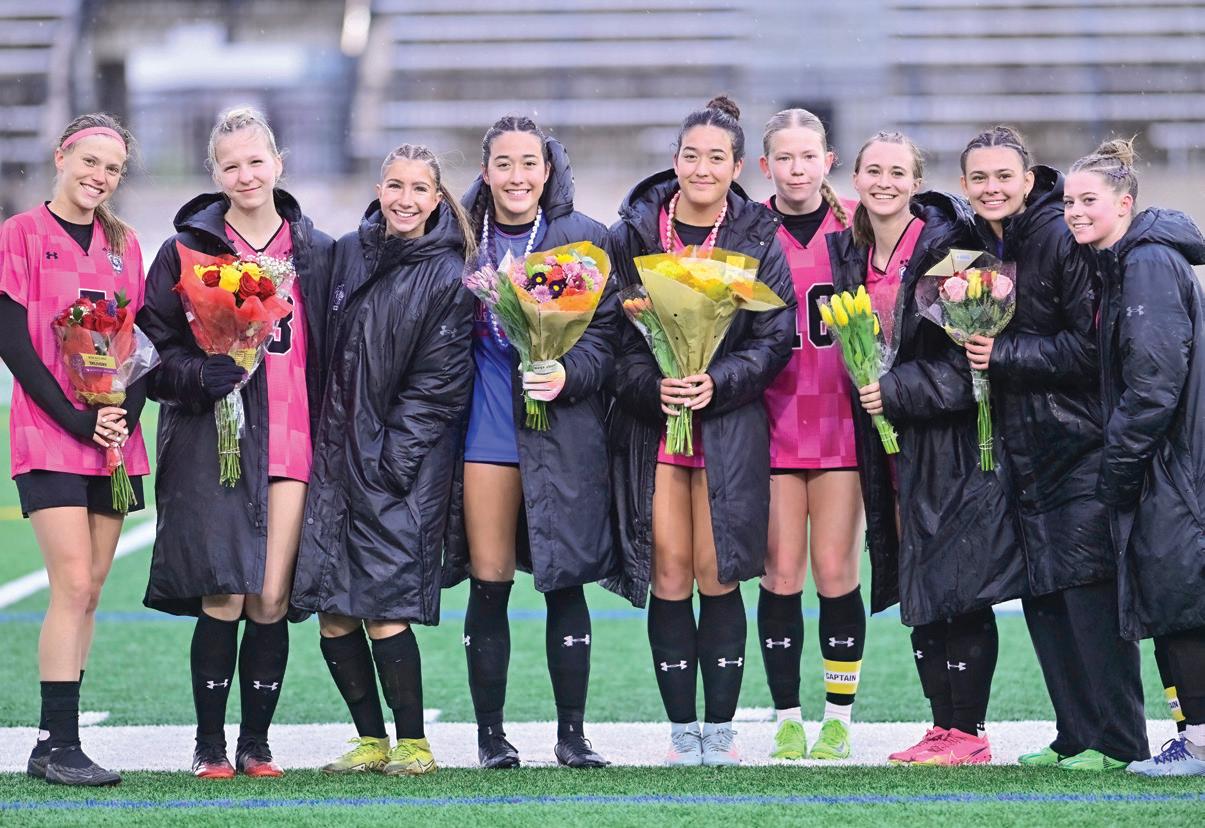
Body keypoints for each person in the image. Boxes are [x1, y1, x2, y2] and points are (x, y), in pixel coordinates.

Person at [138, 107, 334, 779]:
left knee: (271, 597)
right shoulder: (184, 251)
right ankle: (209, 745)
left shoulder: (315, 250)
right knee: (223, 592)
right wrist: (198, 374)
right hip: (217, 440)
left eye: (256, 161)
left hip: (295, 438)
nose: (246, 175)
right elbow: (153, 353)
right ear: (215, 174)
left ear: (278, 163)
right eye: (231, 165)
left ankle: (256, 743)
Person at [608, 96, 796, 766]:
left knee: (718, 574)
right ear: (675, 160)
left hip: (726, 426)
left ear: (737, 166)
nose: (702, 168)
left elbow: (775, 337)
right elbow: (613, 339)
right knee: (669, 571)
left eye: (716, 158)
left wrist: (718, 381)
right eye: (691, 155)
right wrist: (650, 385)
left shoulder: (758, 234)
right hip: (656, 430)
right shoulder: (632, 233)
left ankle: (719, 730)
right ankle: (680, 731)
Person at [830, 131, 1026, 765]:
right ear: (855, 180)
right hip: (890, 446)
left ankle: (969, 732)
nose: (884, 182)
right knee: (917, 578)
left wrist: (894, 390)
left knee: (958, 582)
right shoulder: (851, 252)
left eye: (898, 172)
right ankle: (941, 727)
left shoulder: (951, 251)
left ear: (916, 182)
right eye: (873, 170)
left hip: (949, 444)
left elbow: (971, 361)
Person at [960, 126, 1146, 771]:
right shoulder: (983, 244)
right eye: (979, 178)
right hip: (1023, 450)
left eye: (1002, 176)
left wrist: (1001, 353)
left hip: (1077, 443)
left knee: (1089, 596)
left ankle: (1119, 741)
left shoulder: (1061, 235)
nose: (991, 188)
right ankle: (1074, 732)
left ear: (1028, 177)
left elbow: (1093, 349)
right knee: (1043, 597)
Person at [292, 144, 475, 777]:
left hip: (398, 467)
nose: (405, 199)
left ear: (437, 198)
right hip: (335, 458)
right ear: (379, 190)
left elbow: (439, 385)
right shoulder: (348, 251)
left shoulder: (450, 273)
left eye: (419, 189)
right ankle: (370, 740)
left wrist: (388, 461)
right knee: (333, 608)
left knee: (384, 608)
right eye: (395, 186)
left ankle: (414, 743)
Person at [443, 116, 618, 769]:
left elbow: (607, 340)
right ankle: (491, 737)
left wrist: (570, 374)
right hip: (486, 433)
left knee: (564, 581)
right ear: (485, 172)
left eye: (528, 164)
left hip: (561, 432)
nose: (517, 177)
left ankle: (572, 735)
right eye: (504, 164)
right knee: (488, 583)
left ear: (547, 171)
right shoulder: (459, 239)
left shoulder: (583, 239)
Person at [0, 113, 147, 786]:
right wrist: (74, 419)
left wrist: (121, 416)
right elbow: (12, 340)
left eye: (112, 169)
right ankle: (54, 743)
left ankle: (61, 742)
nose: (99, 176)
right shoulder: (21, 234)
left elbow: (137, 344)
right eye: (89, 161)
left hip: (112, 440)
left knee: (93, 591)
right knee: (74, 583)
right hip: (48, 432)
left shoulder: (125, 244)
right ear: (62, 157)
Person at [1062, 138, 1205, 777]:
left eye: (1088, 200)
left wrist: (1117, 470)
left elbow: (1153, 384)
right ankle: (1194, 739)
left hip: (1174, 464)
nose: (1075, 211)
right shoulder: (1129, 260)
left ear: (1125, 203)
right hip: (1170, 461)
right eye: (1069, 202)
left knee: (1182, 599)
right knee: (1175, 597)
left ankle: (1199, 745)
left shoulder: (1146, 263)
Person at [756, 108, 864, 762]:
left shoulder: (858, 226)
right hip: (769, 422)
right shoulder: (746, 229)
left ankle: (838, 719)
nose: (796, 169)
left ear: (828, 160)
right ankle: (787, 718)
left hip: (840, 422)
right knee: (780, 574)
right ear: (765, 165)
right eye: (783, 157)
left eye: (808, 156)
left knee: (834, 570)